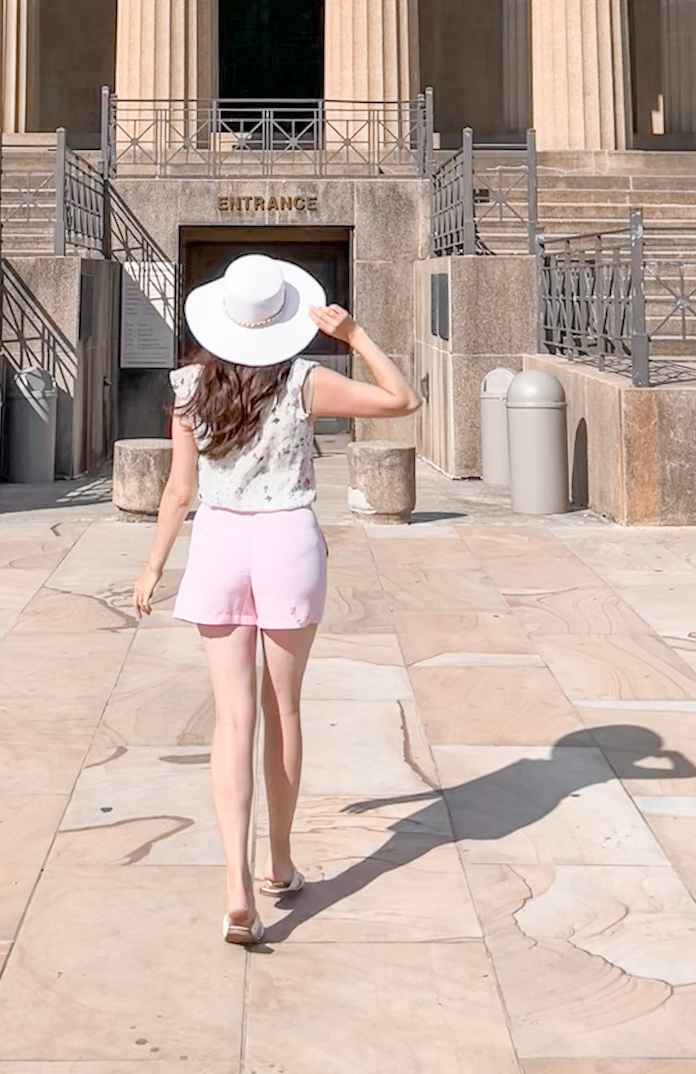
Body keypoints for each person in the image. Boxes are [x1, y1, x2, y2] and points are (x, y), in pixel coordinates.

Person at [132, 253, 421, 948]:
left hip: (220, 542)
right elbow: (401, 399)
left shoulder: (188, 385)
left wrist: (151, 568)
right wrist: (353, 336)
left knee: (232, 723)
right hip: (287, 537)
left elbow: (178, 491)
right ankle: (279, 863)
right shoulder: (305, 381)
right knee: (282, 710)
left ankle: (234, 883)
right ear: (284, 320)